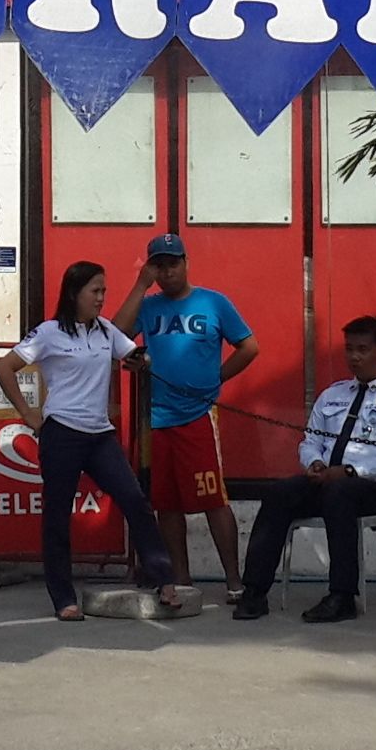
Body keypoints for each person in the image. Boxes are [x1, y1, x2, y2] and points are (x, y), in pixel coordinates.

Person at [0, 261, 176, 619]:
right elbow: (5, 369)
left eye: (103, 292)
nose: (100, 298)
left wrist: (141, 360)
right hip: (62, 432)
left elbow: (132, 355)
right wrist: (30, 416)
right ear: (73, 293)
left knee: (134, 500)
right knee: (57, 516)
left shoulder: (106, 331)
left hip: (100, 435)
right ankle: (63, 598)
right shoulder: (49, 333)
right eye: (95, 291)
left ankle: (162, 577)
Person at [234, 315, 376, 623]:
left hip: (368, 489)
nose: (354, 357)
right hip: (326, 480)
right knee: (280, 493)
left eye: (363, 349)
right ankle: (254, 591)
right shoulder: (332, 395)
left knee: (339, 492)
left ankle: (342, 596)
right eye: (349, 349)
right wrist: (315, 463)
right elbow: (310, 442)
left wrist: (349, 471)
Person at [120, 233, 255, 601]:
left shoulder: (214, 303)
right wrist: (139, 285)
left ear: (186, 262)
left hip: (198, 415)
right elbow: (115, 334)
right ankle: (181, 578)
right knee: (167, 503)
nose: (167, 271)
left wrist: (219, 378)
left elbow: (249, 346)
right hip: (156, 419)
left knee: (213, 499)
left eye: (173, 263)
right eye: (159, 265)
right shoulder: (148, 306)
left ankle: (234, 582)